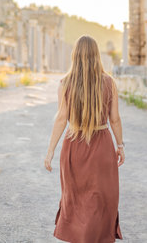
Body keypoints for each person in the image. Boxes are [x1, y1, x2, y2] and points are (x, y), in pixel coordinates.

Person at [44, 35, 125, 242]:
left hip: (74, 147)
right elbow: (114, 119)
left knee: (76, 199)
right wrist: (120, 145)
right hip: (102, 147)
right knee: (101, 199)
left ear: (75, 56)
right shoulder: (109, 82)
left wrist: (51, 150)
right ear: (97, 56)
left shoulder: (65, 83)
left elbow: (62, 118)